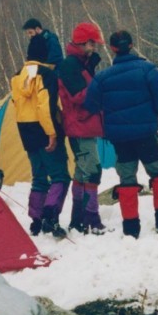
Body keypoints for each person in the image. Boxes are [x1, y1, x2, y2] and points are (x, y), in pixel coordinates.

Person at [84, 30, 158, 238]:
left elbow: (90, 106)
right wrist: (149, 116)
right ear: (132, 45)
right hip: (147, 135)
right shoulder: (149, 70)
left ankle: (131, 228)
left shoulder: (102, 78)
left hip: (120, 140)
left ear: (112, 49)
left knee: (127, 180)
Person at [10, 34, 72, 237]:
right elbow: (44, 106)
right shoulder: (46, 74)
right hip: (43, 128)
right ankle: (50, 215)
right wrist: (52, 133)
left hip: (25, 131)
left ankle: (35, 220)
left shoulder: (17, 76)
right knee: (60, 175)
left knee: (38, 177)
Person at [56, 21, 106, 234]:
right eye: (93, 44)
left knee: (82, 171)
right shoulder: (70, 65)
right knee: (92, 171)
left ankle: (78, 220)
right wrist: (100, 85)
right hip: (79, 125)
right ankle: (91, 219)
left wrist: (91, 67)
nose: (95, 48)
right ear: (84, 43)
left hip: (82, 125)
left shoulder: (79, 63)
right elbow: (79, 96)